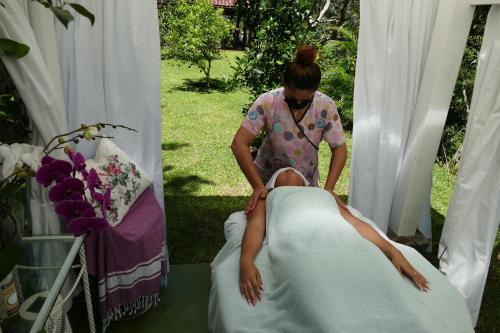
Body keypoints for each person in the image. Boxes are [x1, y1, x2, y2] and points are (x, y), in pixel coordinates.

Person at [239, 168, 430, 306]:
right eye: (283, 172)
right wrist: (246, 260)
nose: (290, 170)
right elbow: (255, 227)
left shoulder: (323, 194)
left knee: (372, 275)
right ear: (272, 184)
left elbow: (355, 223)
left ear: (306, 184)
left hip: (337, 237)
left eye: (295, 172)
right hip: (299, 240)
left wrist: (393, 251)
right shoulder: (267, 196)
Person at [231, 45, 348, 214]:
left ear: (315, 91)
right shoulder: (268, 101)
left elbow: (339, 148)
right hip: (268, 181)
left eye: (305, 100)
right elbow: (239, 144)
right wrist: (258, 187)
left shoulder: (326, 106)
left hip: (305, 182)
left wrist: (329, 189)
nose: (298, 104)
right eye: (292, 99)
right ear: (284, 84)